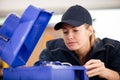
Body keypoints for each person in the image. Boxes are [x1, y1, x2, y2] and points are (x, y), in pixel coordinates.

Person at [35, 5, 120, 80]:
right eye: (65, 32)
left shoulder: (112, 48)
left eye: (75, 30)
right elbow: (37, 72)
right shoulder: (53, 50)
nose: (69, 36)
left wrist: (106, 72)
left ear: (90, 31)